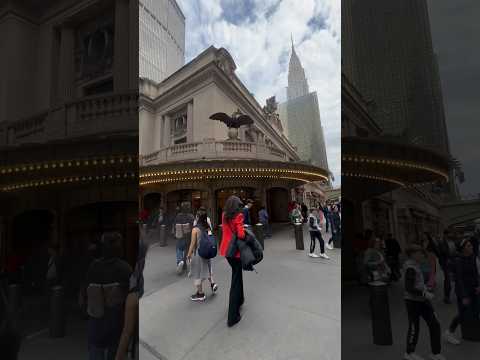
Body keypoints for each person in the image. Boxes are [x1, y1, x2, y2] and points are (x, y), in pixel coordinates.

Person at [85, 232, 132, 360]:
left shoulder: (93, 267)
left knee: (95, 350)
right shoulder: (125, 268)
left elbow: (85, 294)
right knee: (115, 351)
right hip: (116, 322)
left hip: (95, 320)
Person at [403, 244, 445, 360]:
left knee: (435, 324)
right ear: (412, 255)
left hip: (423, 301)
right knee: (414, 327)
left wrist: (425, 289)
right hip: (413, 302)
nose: (422, 255)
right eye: (419, 253)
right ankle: (409, 352)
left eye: (422, 252)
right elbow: (409, 288)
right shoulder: (410, 267)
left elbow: (418, 283)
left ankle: (435, 353)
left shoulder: (416, 265)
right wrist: (424, 293)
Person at [444, 238, 480, 345]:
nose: (471, 247)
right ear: (463, 249)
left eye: (471, 245)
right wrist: (464, 296)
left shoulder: (473, 257)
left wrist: (478, 286)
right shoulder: (458, 260)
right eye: (468, 246)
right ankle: (449, 333)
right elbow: (459, 279)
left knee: (475, 311)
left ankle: (471, 333)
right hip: (463, 291)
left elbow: (476, 274)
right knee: (463, 314)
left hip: (474, 290)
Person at [219, 195, 246, 327]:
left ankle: (240, 300)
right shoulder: (238, 216)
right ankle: (232, 316)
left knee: (237, 275)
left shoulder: (224, 215)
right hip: (235, 252)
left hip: (226, 250)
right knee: (235, 280)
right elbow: (240, 234)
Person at [187, 211, 218, 301]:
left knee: (197, 273)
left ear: (197, 218)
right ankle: (212, 284)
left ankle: (200, 294)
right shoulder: (207, 228)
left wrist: (188, 255)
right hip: (206, 253)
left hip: (198, 254)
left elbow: (192, 244)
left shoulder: (195, 229)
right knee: (206, 270)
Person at [173, 202, 195, 274]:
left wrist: (175, 234)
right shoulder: (191, 216)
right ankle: (184, 263)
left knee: (179, 249)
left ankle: (180, 261)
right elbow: (194, 227)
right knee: (186, 250)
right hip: (188, 237)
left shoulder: (178, 216)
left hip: (180, 236)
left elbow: (175, 225)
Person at [438, 230, 457, 304]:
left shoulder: (452, 241)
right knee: (448, 280)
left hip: (453, 262)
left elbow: (454, 250)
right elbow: (443, 252)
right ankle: (447, 297)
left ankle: (458, 293)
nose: (451, 234)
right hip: (446, 263)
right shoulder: (442, 242)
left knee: (456, 278)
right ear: (446, 234)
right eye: (450, 233)